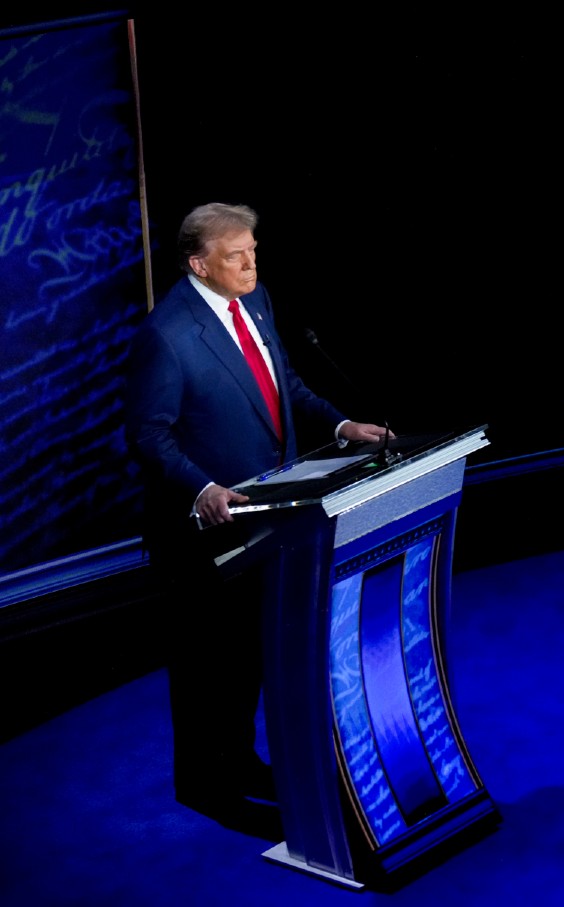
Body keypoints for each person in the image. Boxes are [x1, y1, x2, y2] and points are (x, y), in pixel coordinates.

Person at [124, 202, 390, 836]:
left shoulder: (258, 299)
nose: (251, 262)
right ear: (199, 264)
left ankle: (241, 763)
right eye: (236, 254)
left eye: (253, 250)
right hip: (204, 534)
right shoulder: (167, 335)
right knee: (205, 663)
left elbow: (284, 385)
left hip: (273, 521)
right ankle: (204, 785)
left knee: (247, 655)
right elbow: (148, 436)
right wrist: (203, 488)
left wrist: (340, 424)